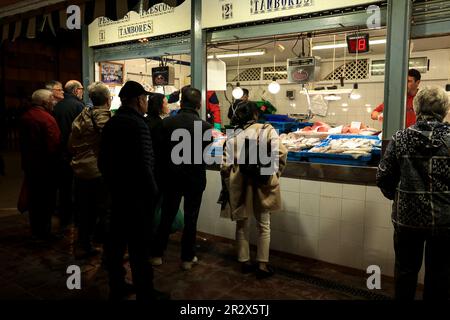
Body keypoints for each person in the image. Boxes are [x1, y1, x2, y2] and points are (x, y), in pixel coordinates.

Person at [376, 86, 450, 300]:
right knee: (440, 275)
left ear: (416, 108)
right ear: (444, 110)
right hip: (445, 221)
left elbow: (383, 177)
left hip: (408, 219)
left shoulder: (400, 138)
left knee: (406, 272)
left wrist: (399, 197)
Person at [98, 80, 167, 301]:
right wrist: (153, 192)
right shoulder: (139, 125)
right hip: (138, 196)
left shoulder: (112, 122)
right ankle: (145, 291)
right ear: (139, 100)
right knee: (139, 248)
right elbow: (146, 164)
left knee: (116, 245)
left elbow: (102, 161)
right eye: (145, 99)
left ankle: (116, 286)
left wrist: (113, 184)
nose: (147, 102)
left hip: (117, 194)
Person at [220, 101, 287, 279]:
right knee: (264, 225)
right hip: (263, 185)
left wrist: (232, 181)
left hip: (240, 186)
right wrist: (274, 175)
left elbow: (225, 166)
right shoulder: (267, 129)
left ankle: (244, 261)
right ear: (255, 115)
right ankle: (262, 265)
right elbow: (281, 153)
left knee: (242, 224)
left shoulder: (233, 136)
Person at [151, 86, 213, 270]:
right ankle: (187, 258)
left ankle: (156, 254)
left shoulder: (167, 123)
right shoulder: (206, 127)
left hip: (171, 177)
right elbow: (207, 156)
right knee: (191, 218)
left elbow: (159, 152)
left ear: (181, 102)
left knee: (167, 216)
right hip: (195, 179)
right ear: (199, 104)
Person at [69, 81, 112, 259]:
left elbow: (71, 143)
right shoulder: (103, 116)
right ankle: (110, 252)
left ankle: (83, 245)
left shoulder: (83, 114)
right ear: (108, 99)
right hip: (97, 171)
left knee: (85, 211)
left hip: (80, 170)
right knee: (107, 212)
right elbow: (111, 142)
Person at [19, 89, 61, 240]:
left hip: (30, 165)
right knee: (46, 201)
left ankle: (36, 230)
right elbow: (54, 144)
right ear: (44, 102)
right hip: (46, 167)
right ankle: (45, 232)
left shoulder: (25, 116)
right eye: (51, 100)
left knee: (34, 201)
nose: (53, 102)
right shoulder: (47, 119)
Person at [53, 80, 85, 232]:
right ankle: (76, 219)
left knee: (63, 187)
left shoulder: (57, 106)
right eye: (81, 89)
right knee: (76, 187)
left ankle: (64, 217)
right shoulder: (78, 106)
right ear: (76, 91)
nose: (82, 91)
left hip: (60, 152)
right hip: (74, 151)